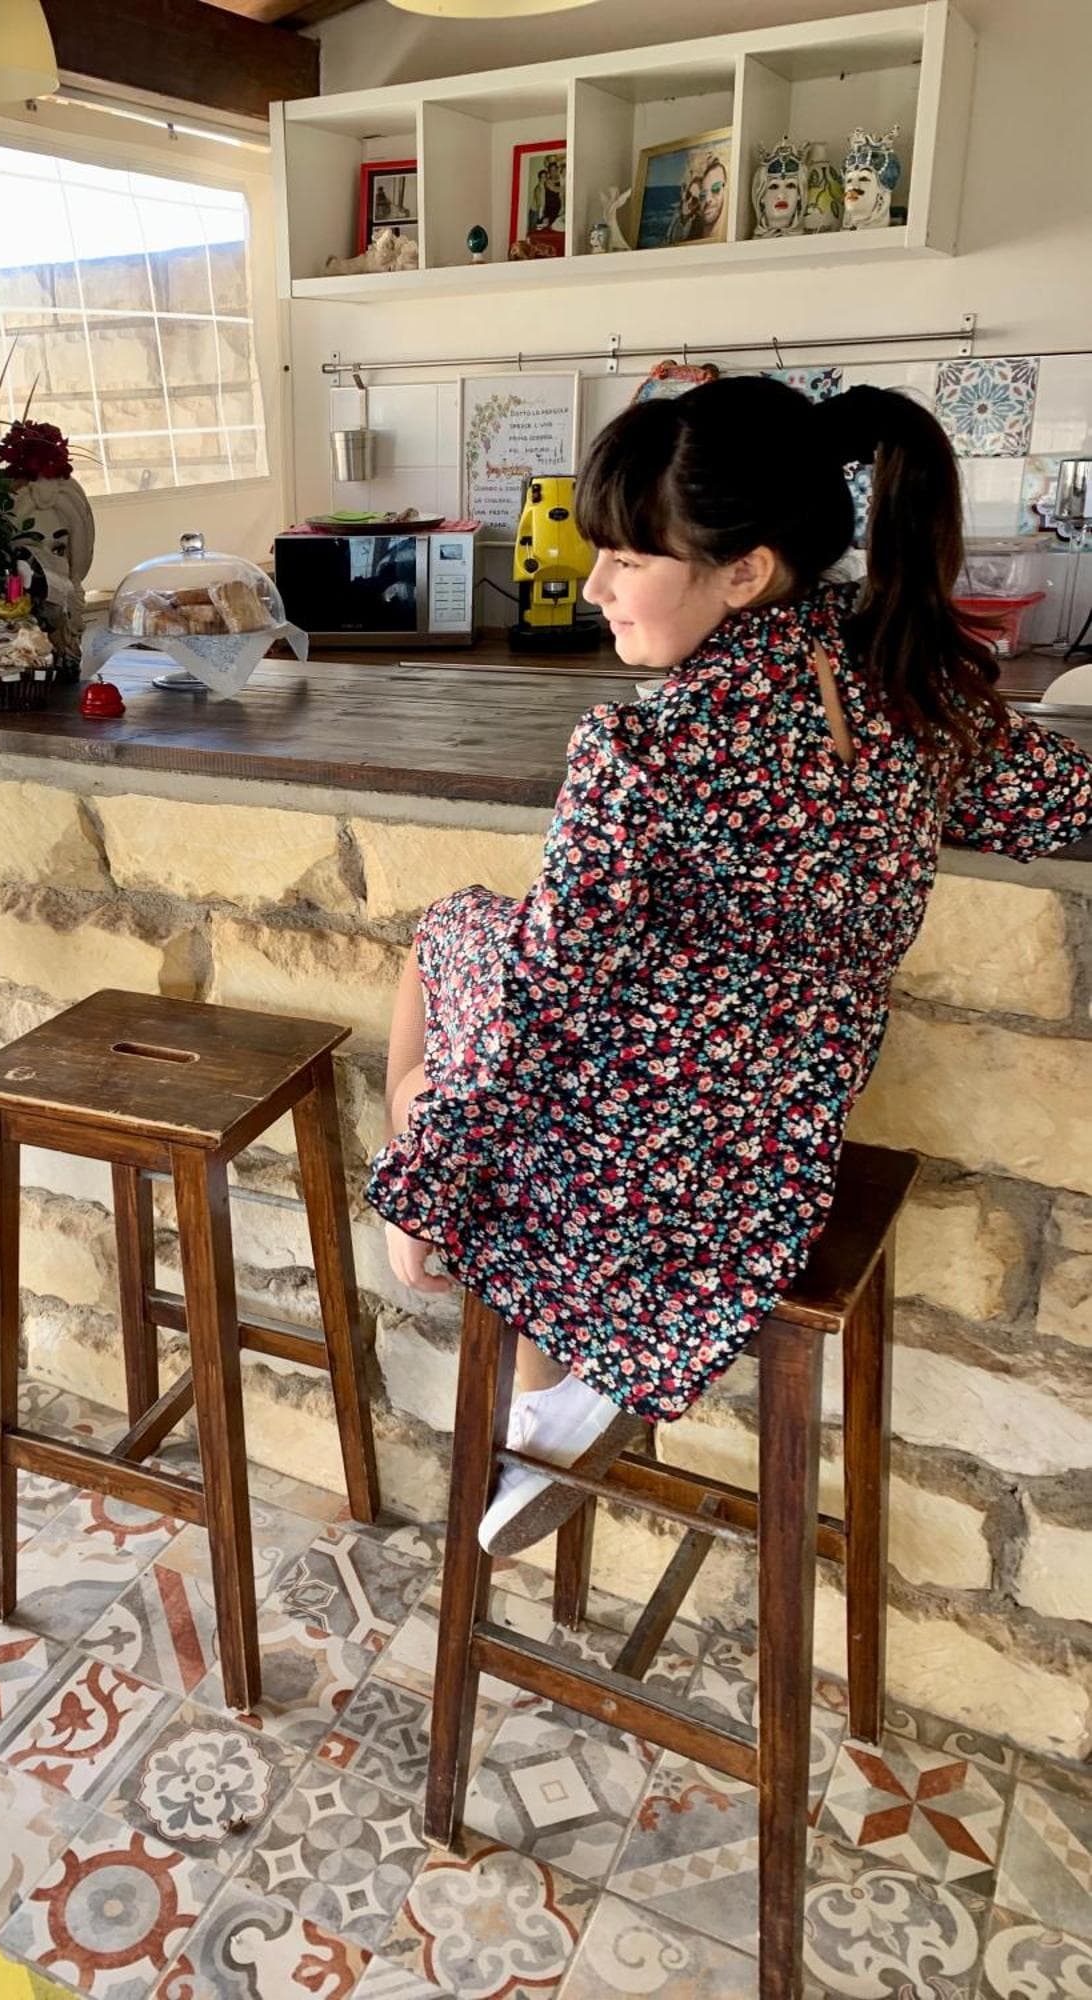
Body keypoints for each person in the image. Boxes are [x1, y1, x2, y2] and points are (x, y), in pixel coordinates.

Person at [367, 376, 1092, 1557]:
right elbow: (1057, 797)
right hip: (779, 1143)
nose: (593, 586)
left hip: (634, 1151)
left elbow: (543, 1008)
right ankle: (551, 1373)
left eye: (626, 557)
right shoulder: (914, 691)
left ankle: (513, 1320)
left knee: (450, 937)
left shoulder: (645, 748)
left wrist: (422, 1174)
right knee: (496, 972)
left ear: (744, 570)